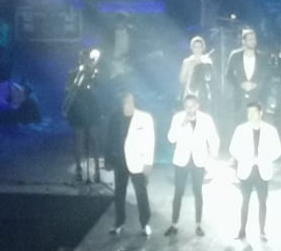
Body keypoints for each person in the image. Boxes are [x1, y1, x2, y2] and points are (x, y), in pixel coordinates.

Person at [166, 94, 219, 237]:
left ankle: (198, 225)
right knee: (178, 193)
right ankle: (174, 224)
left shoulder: (206, 119)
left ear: (197, 106)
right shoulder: (177, 118)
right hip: (181, 161)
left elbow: (213, 138)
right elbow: (171, 138)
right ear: (184, 107)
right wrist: (181, 124)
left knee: (198, 193)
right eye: (187, 106)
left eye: (192, 106)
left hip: (199, 161)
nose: (189, 109)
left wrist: (212, 156)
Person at [229, 102, 281, 241]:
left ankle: (262, 231)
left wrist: (265, 157)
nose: (251, 115)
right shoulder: (240, 129)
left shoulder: (271, 130)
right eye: (249, 113)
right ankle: (242, 230)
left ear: (261, 113)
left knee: (262, 202)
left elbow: (278, 150)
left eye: (254, 112)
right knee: (244, 201)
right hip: (246, 170)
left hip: (262, 170)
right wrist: (245, 157)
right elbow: (233, 148)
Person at [106, 93, 156, 237]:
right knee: (119, 193)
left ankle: (145, 223)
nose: (127, 105)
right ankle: (119, 222)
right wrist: (109, 160)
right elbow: (110, 139)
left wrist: (148, 162)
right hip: (120, 161)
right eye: (124, 102)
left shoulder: (145, 118)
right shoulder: (115, 118)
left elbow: (150, 141)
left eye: (129, 102)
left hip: (137, 162)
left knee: (141, 193)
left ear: (134, 102)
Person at [65, 48, 106, 183]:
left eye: (88, 59)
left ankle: (97, 171)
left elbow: (100, 89)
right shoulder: (73, 73)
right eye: (83, 59)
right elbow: (68, 90)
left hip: (91, 107)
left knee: (94, 138)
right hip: (78, 108)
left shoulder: (95, 73)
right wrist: (79, 77)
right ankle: (79, 170)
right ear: (80, 60)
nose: (86, 61)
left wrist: (92, 74)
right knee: (79, 139)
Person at [225, 28, 270, 124]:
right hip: (239, 100)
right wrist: (240, 84)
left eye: (254, 39)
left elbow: (267, 76)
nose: (253, 41)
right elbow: (228, 76)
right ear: (244, 41)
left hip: (257, 99)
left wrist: (256, 84)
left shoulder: (263, 57)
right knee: (239, 125)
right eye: (250, 39)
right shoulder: (234, 56)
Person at [178, 36, 214, 106]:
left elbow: (211, 78)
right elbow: (182, 79)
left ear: (203, 48)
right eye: (195, 47)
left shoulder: (208, 61)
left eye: (200, 47)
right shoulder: (187, 62)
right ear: (192, 48)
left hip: (204, 94)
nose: (197, 49)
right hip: (190, 94)